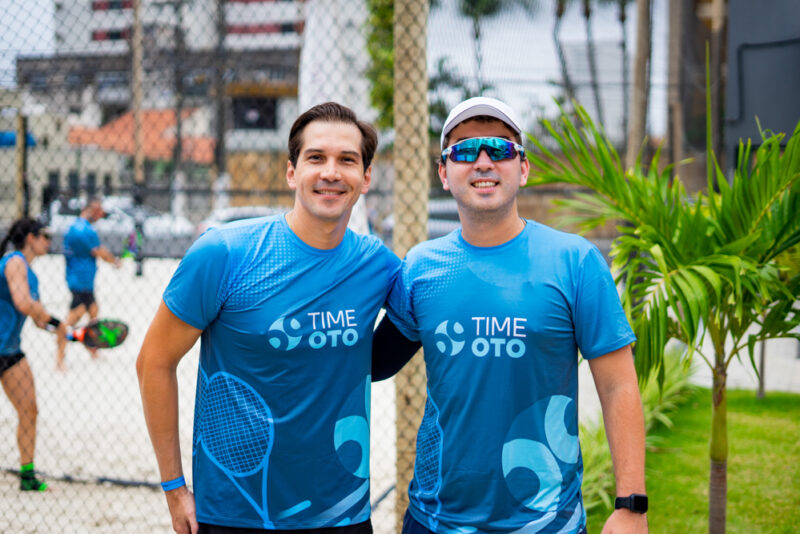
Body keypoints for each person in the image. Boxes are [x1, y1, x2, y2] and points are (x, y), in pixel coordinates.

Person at [374, 97, 648, 533]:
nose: (483, 161)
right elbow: (368, 363)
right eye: (465, 149)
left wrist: (631, 505)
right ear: (443, 172)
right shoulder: (421, 269)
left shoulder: (575, 262)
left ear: (523, 168)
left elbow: (618, 386)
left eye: (500, 148)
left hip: (547, 522)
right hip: (435, 519)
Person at [136, 102, 400, 534]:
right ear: (292, 172)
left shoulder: (379, 266)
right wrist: (173, 487)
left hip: (342, 513)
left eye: (347, 160)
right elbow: (154, 362)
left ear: (366, 178)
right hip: (233, 514)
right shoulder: (224, 253)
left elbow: (422, 321)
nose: (331, 172)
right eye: (316, 157)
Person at [0, 218, 67, 491]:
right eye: (45, 236)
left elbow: (39, 320)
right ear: (30, 238)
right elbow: (23, 303)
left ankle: (27, 476)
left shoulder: (32, 274)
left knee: (29, 409)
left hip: (9, 351)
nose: (49, 242)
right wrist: (56, 321)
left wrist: (63, 331)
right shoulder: (15, 261)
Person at [58, 198, 120, 370]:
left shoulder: (74, 227)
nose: (100, 216)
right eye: (99, 212)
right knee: (71, 321)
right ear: (90, 210)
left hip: (79, 279)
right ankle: (60, 360)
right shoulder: (85, 230)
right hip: (81, 281)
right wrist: (115, 261)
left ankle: (92, 350)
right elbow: (98, 251)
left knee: (93, 313)